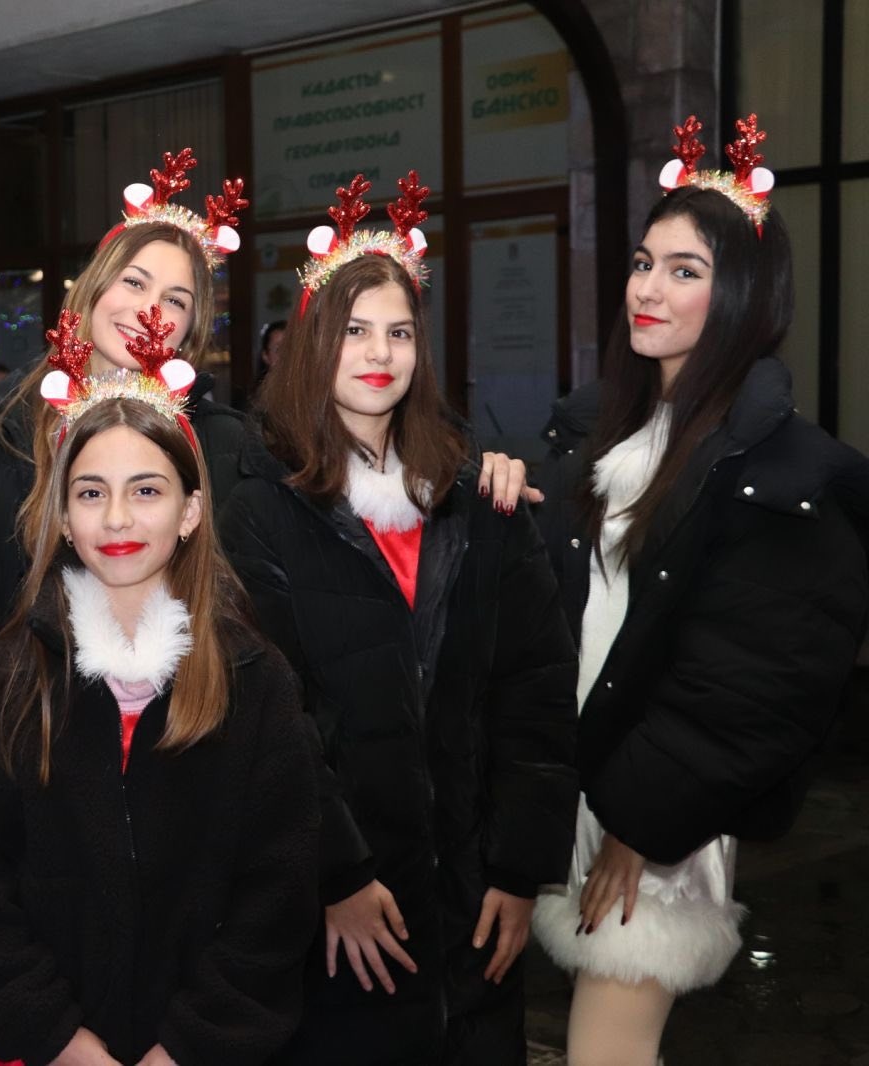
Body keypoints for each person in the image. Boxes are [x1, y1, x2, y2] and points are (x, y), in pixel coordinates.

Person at [529, 115, 869, 1066]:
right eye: (645, 262)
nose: (648, 288)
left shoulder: (781, 472)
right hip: (587, 793)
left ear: (743, 296)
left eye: (685, 270)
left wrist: (642, 827)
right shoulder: (608, 437)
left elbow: (753, 684)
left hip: (655, 817)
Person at [220, 172, 579, 1065]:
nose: (379, 352)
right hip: (338, 909)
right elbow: (270, 717)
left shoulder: (476, 500)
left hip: (473, 899)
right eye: (354, 330)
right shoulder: (261, 506)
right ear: (313, 343)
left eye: (399, 331)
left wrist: (518, 869)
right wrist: (336, 876)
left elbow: (534, 694)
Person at [0, 314, 323, 1066]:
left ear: (190, 511)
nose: (118, 518)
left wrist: (190, 1045)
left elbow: (279, 892)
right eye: (91, 492)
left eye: (147, 490)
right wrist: (59, 1038)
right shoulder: (8, 678)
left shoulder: (254, 680)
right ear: (64, 517)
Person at [0, 147, 253, 623]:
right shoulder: (3, 445)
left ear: (189, 330)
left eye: (175, 300)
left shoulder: (227, 447)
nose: (149, 311)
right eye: (134, 283)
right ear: (93, 288)